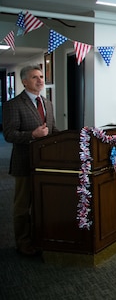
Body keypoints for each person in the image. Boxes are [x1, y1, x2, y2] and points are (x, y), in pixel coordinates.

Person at [3, 65, 60, 256]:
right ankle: (23, 242)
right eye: (35, 77)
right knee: (22, 205)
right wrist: (32, 135)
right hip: (24, 162)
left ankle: (40, 237)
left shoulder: (48, 103)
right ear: (24, 82)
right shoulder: (13, 105)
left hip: (46, 163)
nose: (40, 80)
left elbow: (53, 131)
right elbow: (9, 134)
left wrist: (76, 137)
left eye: (42, 76)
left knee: (42, 204)